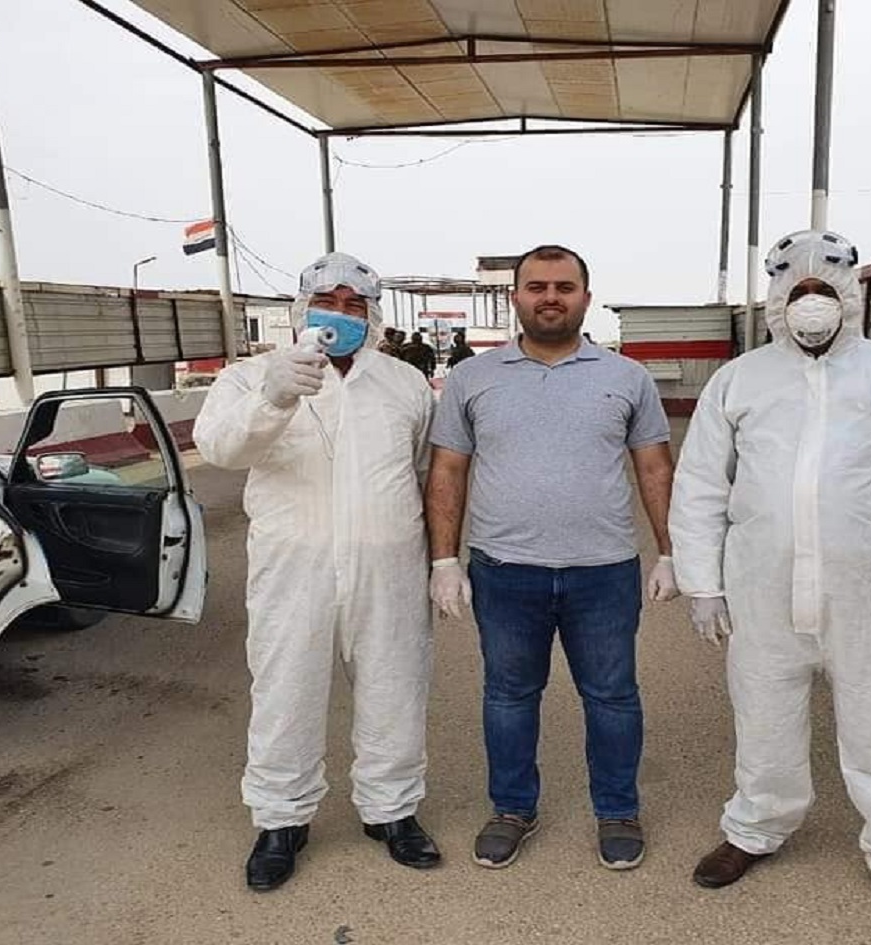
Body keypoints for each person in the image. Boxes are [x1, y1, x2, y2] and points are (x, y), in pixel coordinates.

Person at [669, 229, 871, 929]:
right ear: (777, 298)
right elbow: (702, 489)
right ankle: (755, 827)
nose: (812, 303)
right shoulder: (739, 381)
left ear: (850, 296)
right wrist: (703, 582)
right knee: (764, 717)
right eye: (799, 291)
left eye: (825, 291)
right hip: (762, 591)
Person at [424, 244, 680, 872]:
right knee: (509, 695)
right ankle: (512, 808)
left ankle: (617, 810)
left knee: (613, 696)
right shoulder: (472, 378)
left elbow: (654, 468)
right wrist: (444, 561)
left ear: (586, 298)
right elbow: (447, 470)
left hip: (604, 570)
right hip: (506, 571)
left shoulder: (625, 377)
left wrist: (675, 551)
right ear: (514, 297)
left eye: (564, 287)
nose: (550, 298)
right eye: (536, 286)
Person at [194, 251, 442, 893]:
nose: (340, 315)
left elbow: (421, 470)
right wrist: (274, 398)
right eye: (327, 302)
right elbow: (220, 449)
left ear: (374, 315)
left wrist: (438, 557)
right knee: (285, 691)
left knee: (395, 686)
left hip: (387, 566)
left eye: (355, 305)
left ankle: (392, 810)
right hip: (292, 568)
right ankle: (282, 821)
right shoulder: (251, 376)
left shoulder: (403, 383)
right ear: (302, 309)